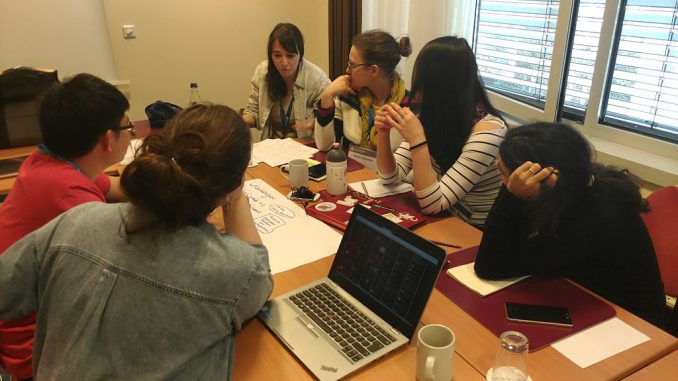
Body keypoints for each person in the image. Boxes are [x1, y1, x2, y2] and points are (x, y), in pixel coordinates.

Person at [0, 104, 273, 380]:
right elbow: (259, 275)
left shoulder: (76, 220)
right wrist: (235, 198)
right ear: (232, 184)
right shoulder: (231, 269)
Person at [0, 73, 131, 380]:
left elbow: (116, 187)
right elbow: (126, 264)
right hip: (35, 349)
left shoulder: (56, 162)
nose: (129, 133)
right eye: (127, 126)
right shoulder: (67, 192)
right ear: (108, 139)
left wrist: (172, 182)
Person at [474, 122, 665, 328]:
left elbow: (490, 266)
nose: (495, 165)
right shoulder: (577, 188)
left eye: (507, 174)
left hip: (632, 325)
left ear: (545, 179)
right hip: (580, 296)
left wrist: (512, 196)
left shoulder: (594, 217)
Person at [375, 36, 506, 227]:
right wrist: (383, 134)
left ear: (442, 88)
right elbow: (390, 177)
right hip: (444, 216)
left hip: (473, 229)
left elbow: (432, 204)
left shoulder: (488, 132)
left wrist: (417, 140)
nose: (418, 94)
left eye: (424, 86)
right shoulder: (433, 114)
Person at [315, 30, 413, 152]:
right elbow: (324, 146)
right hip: (352, 170)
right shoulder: (349, 96)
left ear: (373, 70)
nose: (347, 70)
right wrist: (327, 96)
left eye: (352, 65)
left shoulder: (408, 108)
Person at [242, 22, 330, 140]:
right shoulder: (263, 73)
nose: (284, 63)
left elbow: (330, 118)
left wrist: (314, 122)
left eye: (290, 56)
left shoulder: (317, 79)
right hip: (272, 146)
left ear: (300, 55)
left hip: (304, 146)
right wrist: (236, 122)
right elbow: (253, 112)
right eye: (277, 56)